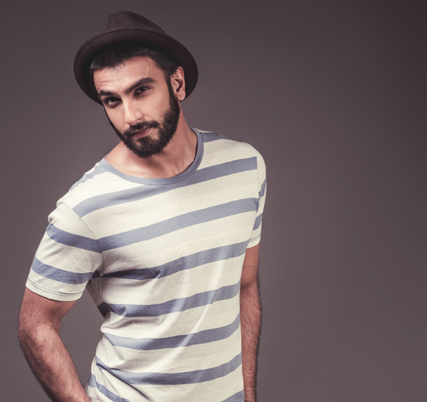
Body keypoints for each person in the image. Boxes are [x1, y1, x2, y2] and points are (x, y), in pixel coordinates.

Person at [18, 11, 266, 402]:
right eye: (111, 101)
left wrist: (247, 395)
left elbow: (245, 287)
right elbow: (35, 324)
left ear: (177, 83)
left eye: (141, 90)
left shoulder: (245, 166)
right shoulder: (86, 207)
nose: (129, 116)